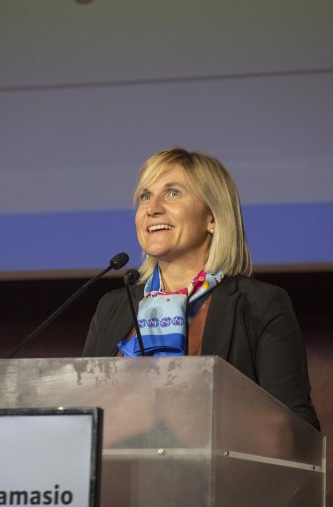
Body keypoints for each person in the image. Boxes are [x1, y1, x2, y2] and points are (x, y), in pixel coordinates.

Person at [83, 148, 319, 430]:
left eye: (173, 193)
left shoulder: (259, 305)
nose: (152, 208)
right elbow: (83, 410)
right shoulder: (113, 307)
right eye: (145, 196)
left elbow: (295, 425)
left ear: (212, 217)